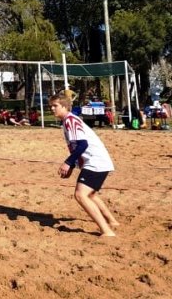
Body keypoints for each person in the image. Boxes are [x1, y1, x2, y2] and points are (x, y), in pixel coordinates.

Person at [49, 94, 120, 237]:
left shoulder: (70, 120)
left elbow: (82, 144)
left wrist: (67, 163)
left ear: (65, 106)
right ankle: (112, 221)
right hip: (97, 161)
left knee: (80, 195)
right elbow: (76, 147)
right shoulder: (68, 121)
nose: (52, 108)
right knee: (91, 194)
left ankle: (106, 231)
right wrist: (71, 166)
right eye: (51, 106)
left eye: (55, 106)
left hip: (96, 161)